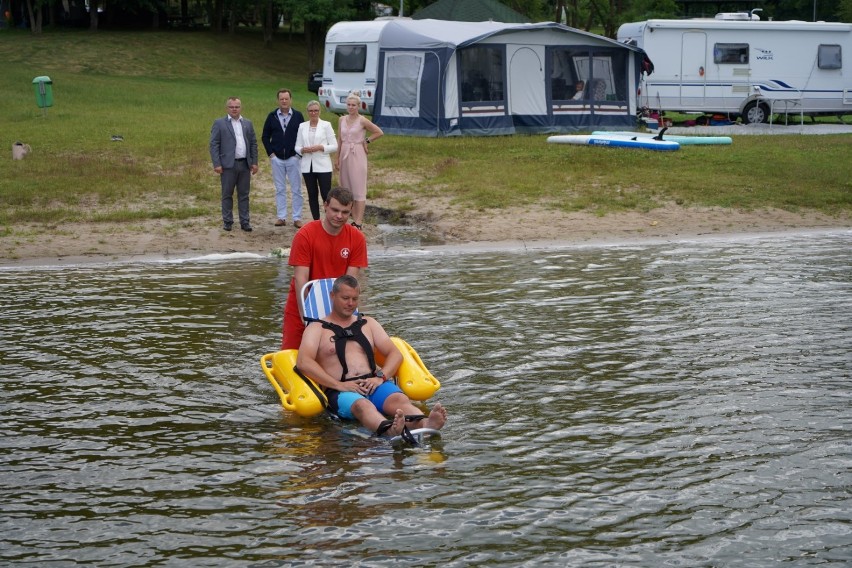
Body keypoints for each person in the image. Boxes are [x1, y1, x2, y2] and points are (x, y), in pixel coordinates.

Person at [296, 275, 447, 438]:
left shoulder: (369, 323)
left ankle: (425, 424)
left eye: (355, 299)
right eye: (345, 298)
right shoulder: (316, 328)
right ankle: (389, 430)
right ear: (333, 296)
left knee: (399, 400)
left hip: (373, 383)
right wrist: (339, 385)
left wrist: (381, 377)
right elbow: (304, 362)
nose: (350, 303)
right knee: (363, 406)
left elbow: (395, 354)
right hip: (341, 390)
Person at [281, 186, 368, 350]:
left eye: (345, 212)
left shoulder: (357, 239)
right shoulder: (305, 235)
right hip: (303, 301)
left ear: (351, 212)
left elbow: (350, 284)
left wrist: (342, 318)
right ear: (325, 205)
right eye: (335, 210)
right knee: (291, 352)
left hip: (338, 303)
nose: (339, 216)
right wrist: (305, 317)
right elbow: (301, 279)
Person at [335, 92, 383, 230]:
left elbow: (379, 132)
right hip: (344, 151)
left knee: (358, 188)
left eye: (353, 105)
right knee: (346, 187)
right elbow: (340, 138)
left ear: (358, 106)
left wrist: (366, 141)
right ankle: (352, 217)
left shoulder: (362, 120)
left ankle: (359, 221)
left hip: (357, 154)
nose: (351, 107)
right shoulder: (341, 120)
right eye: (349, 105)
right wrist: (337, 157)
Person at [209, 97, 259, 232]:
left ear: (240, 108)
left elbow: (253, 143)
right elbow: (214, 144)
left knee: (244, 194)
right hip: (227, 165)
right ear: (227, 108)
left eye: (237, 107)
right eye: (232, 107)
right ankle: (228, 221)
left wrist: (254, 162)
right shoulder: (219, 123)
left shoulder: (247, 123)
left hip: (244, 164)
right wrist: (217, 163)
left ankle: (245, 221)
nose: (234, 109)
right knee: (227, 194)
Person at [262, 89, 305, 228]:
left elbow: (303, 136)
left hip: (294, 158)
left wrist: (298, 155)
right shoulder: (272, 116)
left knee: (296, 189)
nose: (284, 101)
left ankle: (297, 217)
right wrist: (271, 154)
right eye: (282, 99)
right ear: (278, 100)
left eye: (286, 99)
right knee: (280, 189)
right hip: (277, 159)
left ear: (290, 100)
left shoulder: (298, 116)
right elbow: (265, 136)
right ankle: (281, 217)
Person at [295, 101, 338, 221]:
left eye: (316, 110)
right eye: (311, 111)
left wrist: (321, 147)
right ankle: (316, 221)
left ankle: (329, 220)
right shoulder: (302, 126)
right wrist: (302, 150)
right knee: (312, 194)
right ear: (307, 112)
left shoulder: (326, 125)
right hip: (307, 166)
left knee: (326, 194)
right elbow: (297, 146)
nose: (313, 113)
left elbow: (335, 146)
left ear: (319, 111)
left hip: (323, 165)